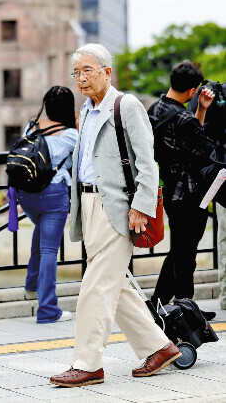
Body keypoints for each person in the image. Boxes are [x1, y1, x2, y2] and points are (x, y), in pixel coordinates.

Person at [50, 44, 179, 388]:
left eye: (88, 71)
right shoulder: (88, 110)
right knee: (112, 283)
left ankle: (87, 363)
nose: (81, 79)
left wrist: (142, 206)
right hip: (89, 205)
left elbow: (147, 162)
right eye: (76, 72)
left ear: (107, 72)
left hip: (116, 208)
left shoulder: (127, 105)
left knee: (95, 287)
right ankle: (159, 347)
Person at [148, 61, 216, 320]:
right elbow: (204, 151)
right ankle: (180, 307)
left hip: (169, 189)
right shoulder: (184, 119)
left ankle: (166, 303)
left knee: (180, 249)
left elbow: (188, 142)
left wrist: (200, 109)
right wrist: (200, 113)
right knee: (185, 252)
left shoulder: (157, 108)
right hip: (189, 193)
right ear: (192, 90)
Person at [17, 86, 78, 323]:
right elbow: (80, 160)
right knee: (50, 251)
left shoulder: (31, 127)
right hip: (53, 194)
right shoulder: (71, 134)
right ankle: (47, 310)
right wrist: (75, 123)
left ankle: (32, 285)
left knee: (41, 230)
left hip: (27, 193)